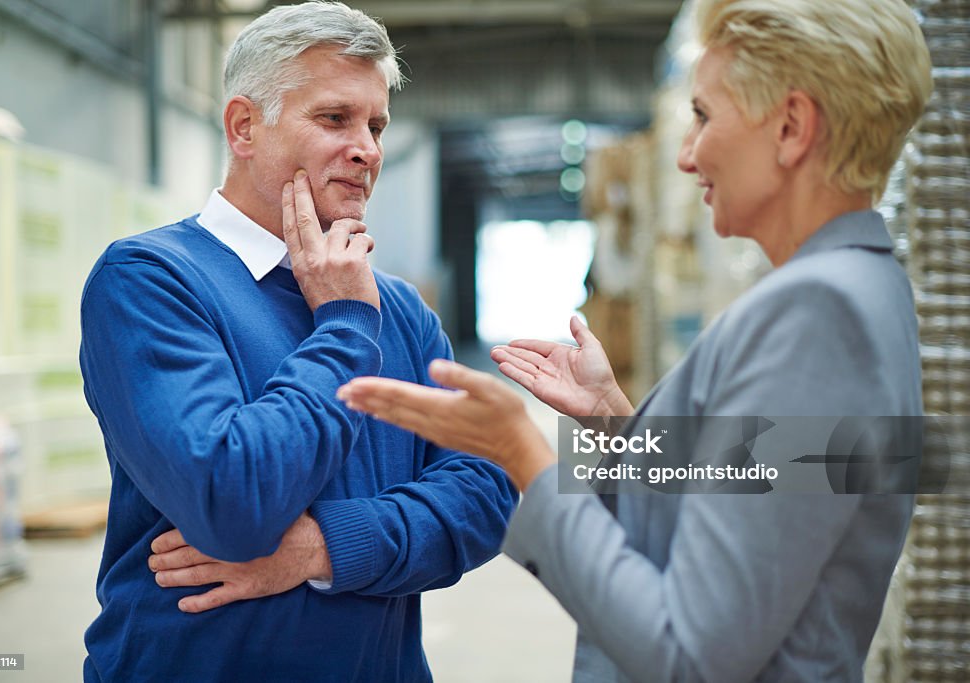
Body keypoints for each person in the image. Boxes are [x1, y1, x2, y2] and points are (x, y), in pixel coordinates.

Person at [337, 0, 933, 680]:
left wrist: (525, 456)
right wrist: (611, 420)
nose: (685, 154)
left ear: (792, 127)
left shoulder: (819, 313)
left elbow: (685, 651)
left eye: (704, 117)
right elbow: (768, 497)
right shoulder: (857, 288)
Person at [78, 3, 516, 681]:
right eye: (334, 118)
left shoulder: (395, 308)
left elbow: (485, 495)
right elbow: (231, 500)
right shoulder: (150, 282)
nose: (367, 148)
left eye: (375, 125)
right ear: (244, 126)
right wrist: (341, 325)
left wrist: (326, 547)